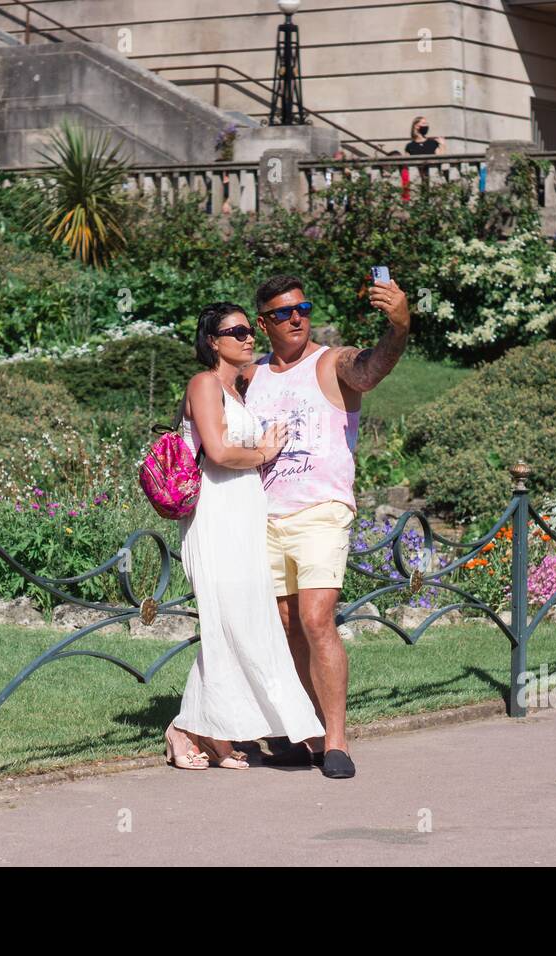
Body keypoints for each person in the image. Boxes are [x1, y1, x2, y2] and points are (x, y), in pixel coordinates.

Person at [241, 273, 411, 779]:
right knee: (286, 625)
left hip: (321, 510)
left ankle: (336, 739)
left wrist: (399, 326)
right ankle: (306, 732)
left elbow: (371, 370)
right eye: (282, 313)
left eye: (303, 308)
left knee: (317, 618)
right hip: (265, 513)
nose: (296, 318)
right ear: (263, 323)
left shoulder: (332, 362)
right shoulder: (252, 376)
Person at [164, 303, 326, 771]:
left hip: (244, 516)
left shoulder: (239, 388)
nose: (247, 337)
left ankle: (216, 729)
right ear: (212, 341)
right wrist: (263, 451)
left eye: (248, 330)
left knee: (246, 622)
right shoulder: (203, 383)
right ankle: (186, 729)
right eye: (234, 332)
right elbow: (215, 451)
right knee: (226, 623)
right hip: (214, 517)